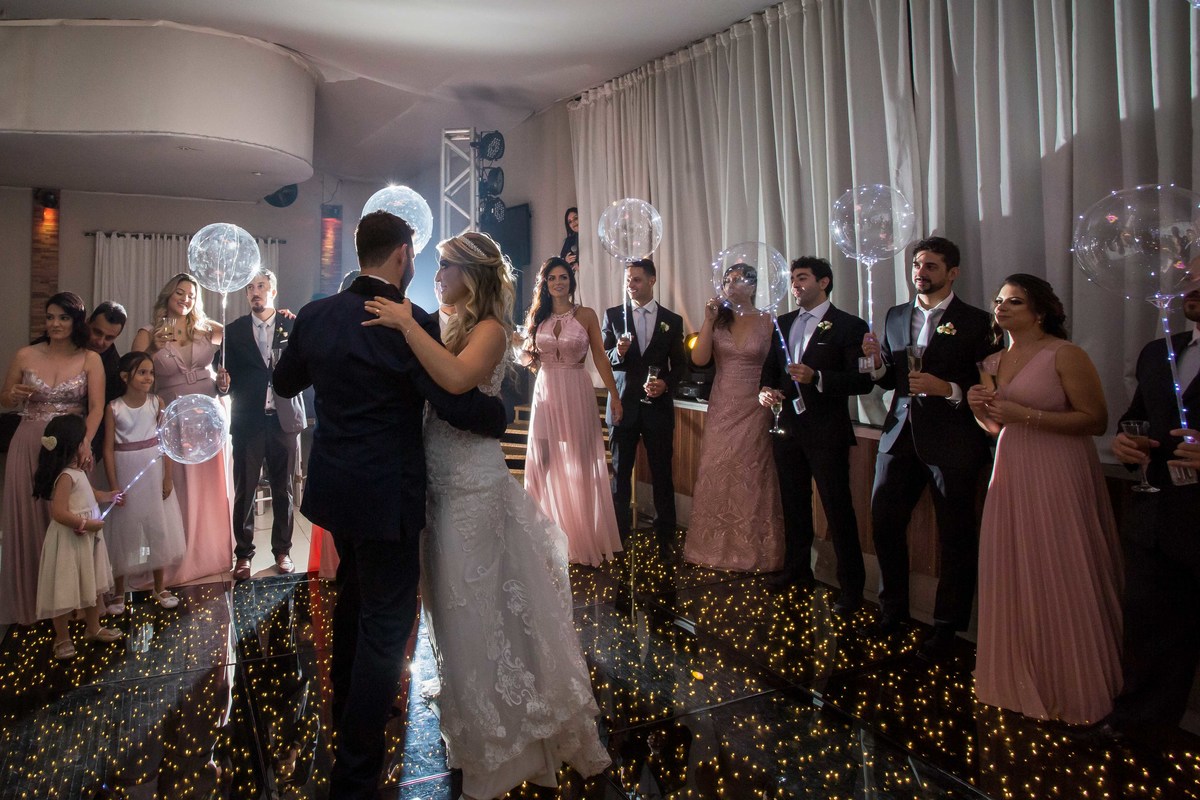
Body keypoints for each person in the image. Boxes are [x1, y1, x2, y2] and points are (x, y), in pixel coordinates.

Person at [364, 231, 611, 799]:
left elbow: (453, 381)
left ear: (470, 275)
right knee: (448, 611)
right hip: (437, 480)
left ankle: (498, 743)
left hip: (473, 486)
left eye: (445, 266)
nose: (435, 274)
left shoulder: (491, 332)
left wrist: (405, 326)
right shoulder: (449, 325)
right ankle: (473, 716)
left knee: (471, 607)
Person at [271, 211, 510, 800]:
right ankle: (355, 768)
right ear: (403, 254)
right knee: (386, 624)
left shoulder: (317, 315)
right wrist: (498, 414)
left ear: (360, 251)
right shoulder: (412, 327)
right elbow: (456, 406)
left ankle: (347, 703)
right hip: (389, 496)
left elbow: (284, 383)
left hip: (334, 491)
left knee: (353, 597)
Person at [967, 274, 1121, 724]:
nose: (1002, 307)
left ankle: (1070, 684)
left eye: (1014, 301)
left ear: (1039, 311)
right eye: (998, 300)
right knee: (1015, 564)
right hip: (1011, 470)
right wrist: (981, 411)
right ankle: (1019, 676)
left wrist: (1026, 415)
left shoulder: (1064, 354)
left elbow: (1095, 420)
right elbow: (998, 428)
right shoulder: (993, 359)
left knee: (1059, 562)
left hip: (1058, 470)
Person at [860, 236, 997, 658]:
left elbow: (992, 385)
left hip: (954, 440)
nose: (921, 272)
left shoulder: (977, 321)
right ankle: (892, 610)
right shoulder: (896, 314)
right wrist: (877, 363)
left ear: (952, 273)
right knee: (883, 523)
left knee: (955, 535)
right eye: (918, 265)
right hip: (898, 434)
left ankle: (946, 628)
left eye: (932, 266)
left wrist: (950, 388)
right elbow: (886, 380)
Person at [1098, 284, 1200, 740]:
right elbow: (1136, 417)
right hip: (1157, 517)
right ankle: (1136, 727)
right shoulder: (1160, 350)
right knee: (1147, 629)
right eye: (1190, 279)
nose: (1192, 289)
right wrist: (1124, 442)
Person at [758, 257, 873, 608]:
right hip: (787, 430)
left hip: (827, 433)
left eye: (802, 277)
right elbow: (771, 371)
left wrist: (818, 378)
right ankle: (797, 569)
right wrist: (766, 391)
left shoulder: (849, 325)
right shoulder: (783, 323)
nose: (795, 284)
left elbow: (863, 382)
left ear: (824, 282)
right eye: (792, 279)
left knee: (838, 509)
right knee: (793, 505)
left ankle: (851, 587)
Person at [0, 291, 105, 627]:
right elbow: (5, 399)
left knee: (67, 521)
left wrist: (84, 442)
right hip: (28, 442)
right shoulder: (25, 354)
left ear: (76, 321)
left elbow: (97, 407)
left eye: (62, 317)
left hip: (69, 448)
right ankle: (35, 601)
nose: (55, 324)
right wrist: (11, 395)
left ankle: (75, 603)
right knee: (32, 521)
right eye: (50, 317)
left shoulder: (90, 358)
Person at [519, 256, 624, 565]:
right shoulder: (539, 318)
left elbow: (601, 359)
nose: (558, 282)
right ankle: (535, 532)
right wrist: (524, 353)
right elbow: (530, 359)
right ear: (546, 284)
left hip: (577, 390)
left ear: (571, 281)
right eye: (552, 278)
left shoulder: (587, 315)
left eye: (562, 277)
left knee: (579, 461)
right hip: (547, 390)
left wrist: (614, 396)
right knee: (543, 460)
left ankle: (580, 535)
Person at [131, 273, 233, 585]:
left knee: (209, 486)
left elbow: (243, 348)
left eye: (191, 294)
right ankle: (174, 557)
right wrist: (151, 352)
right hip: (172, 419)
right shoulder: (148, 333)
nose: (185, 299)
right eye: (180, 292)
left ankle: (211, 552)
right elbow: (134, 373)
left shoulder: (209, 329)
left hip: (208, 418)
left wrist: (223, 382)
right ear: (168, 294)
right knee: (176, 488)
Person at [682, 264, 784, 572]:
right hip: (723, 404)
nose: (729, 285)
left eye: (737, 280)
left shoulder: (768, 320)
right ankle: (710, 547)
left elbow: (777, 364)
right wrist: (709, 319)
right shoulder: (719, 321)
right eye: (726, 280)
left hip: (756, 404)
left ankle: (755, 550)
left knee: (752, 473)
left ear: (752, 286)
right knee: (717, 467)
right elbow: (699, 360)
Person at [219, 269, 306, 580]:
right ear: (245, 295)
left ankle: (283, 551)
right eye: (250, 288)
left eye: (261, 286)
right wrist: (223, 383)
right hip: (248, 421)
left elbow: (307, 366)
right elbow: (222, 376)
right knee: (245, 490)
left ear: (273, 290)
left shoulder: (292, 325)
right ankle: (243, 555)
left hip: (284, 420)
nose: (255, 292)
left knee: (284, 490)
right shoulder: (234, 331)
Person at [601, 258, 687, 555]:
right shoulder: (613, 315)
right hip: (622, 405)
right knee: (620, 473)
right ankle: (618, 537)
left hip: (657, 407)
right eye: (628, 280)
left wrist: (666, 385)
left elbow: (680, 366)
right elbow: (604, 357)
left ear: (652, 280)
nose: (631, 285)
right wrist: (617, 352)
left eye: (637, 279)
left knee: (663, 473)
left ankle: (666, 538)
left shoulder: (672, 321)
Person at [33, 414, 124, 660]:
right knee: (64, 588)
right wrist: (86, 523)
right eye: (85, 440)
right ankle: (62, 637)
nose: (88, 444)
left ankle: (93, 628)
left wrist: (108, 496)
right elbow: (59, 513)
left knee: (91, 584)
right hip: (70, 541)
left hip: (87, 540)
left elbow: (90, 494)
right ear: (73, 444)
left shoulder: (78, 472)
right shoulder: (65, 477)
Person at [102, 351, 186, 612]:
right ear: (126, 376)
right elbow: (107, 449)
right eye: (142, 372)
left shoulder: (156, 402)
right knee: (123, 528)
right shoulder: (114, 407)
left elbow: (166, 442)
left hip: (153, 471)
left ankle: (159, 586)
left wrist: (168, 476)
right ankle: (118, 590)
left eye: (151, 372)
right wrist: (114, 484)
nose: (148, 377)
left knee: (156, 525)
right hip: (126, 471)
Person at [86, 300, 129, 465]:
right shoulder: (66, 345)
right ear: (88, 322)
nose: (100, 341)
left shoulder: (114, 369)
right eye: (97, 332)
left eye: (109, 338)